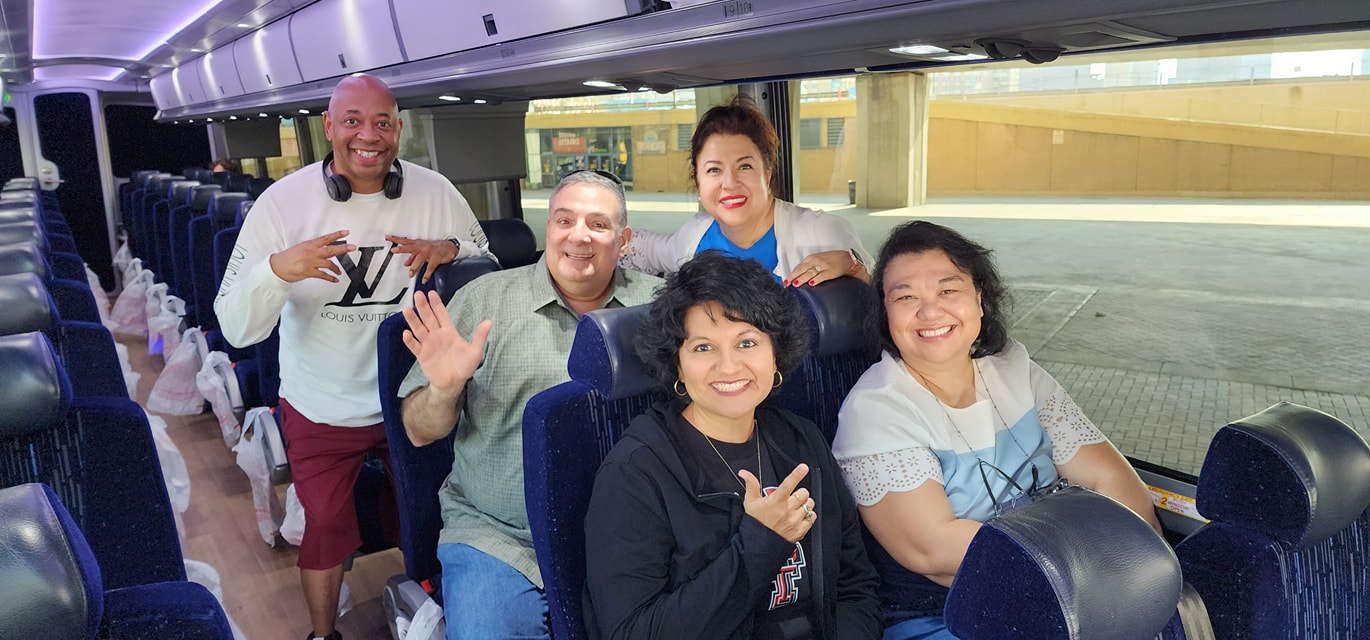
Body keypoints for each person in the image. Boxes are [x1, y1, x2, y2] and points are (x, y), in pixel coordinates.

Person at [214, 74, 493, 640]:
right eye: (353, 121)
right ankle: (323, 635)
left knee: (434, 518)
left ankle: (441, 621)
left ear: (399, 129)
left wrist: (452, 249)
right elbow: (235, 327)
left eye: (383, 122)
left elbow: (484, 259)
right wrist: (276, 271)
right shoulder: (282, 204)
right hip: (322, 403)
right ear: (328, 127)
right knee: (328, 527)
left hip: (415, 397)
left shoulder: (435, 190)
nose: (369, 135)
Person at [830, 220, 1161, 640]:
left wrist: (1130, 565)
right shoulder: (875, 409)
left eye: (948, 290)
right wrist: (1085, 572)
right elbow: (936, 549)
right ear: (886, 314)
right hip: (952, 614)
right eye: (906, 296)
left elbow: (1108, 476)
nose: (930, 311)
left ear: (979, 300)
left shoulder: (1015, 369)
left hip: (1073, 585)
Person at [397, 170, 661, 640]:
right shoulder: (484, 300)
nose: (579, 235)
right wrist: (445, 388)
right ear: (549, 229)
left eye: (598, 225)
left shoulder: (659, 307)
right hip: (501, 535)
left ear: (622, 241)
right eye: (565, 220)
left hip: (633, 529)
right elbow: (418, 431)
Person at [583, 250, 882, 640]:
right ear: (677, 365)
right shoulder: (636, 472)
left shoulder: (802, 440)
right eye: (703, 348)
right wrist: (762, 543)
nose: (728, 367)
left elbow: (855, 586)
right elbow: (632, 632)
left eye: (747, 343)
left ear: (776, 353)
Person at [620, 95, 873, 287]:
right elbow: (641, 248)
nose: (729, 183)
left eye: (745, 166)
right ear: (698, 183)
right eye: (714, 170)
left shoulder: (821, 232)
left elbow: (887, 296)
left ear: (767, 173)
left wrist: (851, 265)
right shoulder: (693, 237)